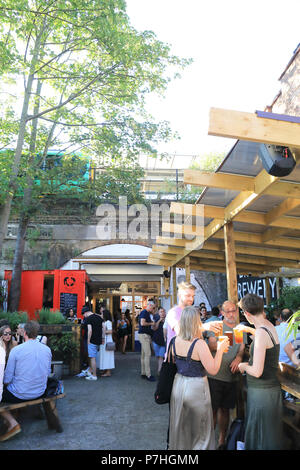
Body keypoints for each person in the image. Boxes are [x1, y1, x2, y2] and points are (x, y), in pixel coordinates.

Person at [168, 306, 229, 450]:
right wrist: (220, 350)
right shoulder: (199, 344)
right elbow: (213, 370)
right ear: (197, 322)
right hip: (196, 386)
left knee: (182, 427)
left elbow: (172, 362)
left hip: (178, 384)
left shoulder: (174, 341)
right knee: (201, 431)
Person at [237, 293, 284, 450]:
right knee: (270, 435)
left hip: (262, 394)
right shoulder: (268, 325)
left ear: (247, 313)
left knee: (263, 438)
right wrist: (249, 330)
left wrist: (242, 366)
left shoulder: (261, 334)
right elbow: (263, 336)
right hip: (270, 391)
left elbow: (257, 371)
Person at [0, 321, 52, 442]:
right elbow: (48, 372)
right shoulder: (47, 349)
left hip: (21, 394)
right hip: (40, 391)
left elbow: (7, 379)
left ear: (24, 333)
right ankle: (14, 416)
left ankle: (12, 423)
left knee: (4, 391)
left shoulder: (17, 350)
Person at [206, 300, 245, 449]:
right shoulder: (216, 326)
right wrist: (225, 340)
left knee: (225, 409)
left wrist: (239, 357)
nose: (231, 314)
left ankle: (222, 440)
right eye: (227, 311)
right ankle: (209, 440)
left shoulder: (239, 329)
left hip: (231, 376)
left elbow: (241, 347)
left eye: (233, 310)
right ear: (221, 313)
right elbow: (211, 345)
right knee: (213, 410)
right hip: (214, 375)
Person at [164, 281, 223, 352]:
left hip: (189, 356)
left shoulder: (193, 312)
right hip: (176, 358)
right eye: (188, 296)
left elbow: (198, 334)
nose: (191, 299)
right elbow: (181, 332)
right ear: (179, 296)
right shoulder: (174, 312)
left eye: (193, 296)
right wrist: (204, 327)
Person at [138, 300, 156, 381]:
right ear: (150, 305)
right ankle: (148, 375)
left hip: (143, 335)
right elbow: (142, 323)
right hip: (144, 335)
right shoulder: (144, 312)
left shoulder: (145, 313)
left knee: (144, 355)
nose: (154, 309)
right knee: (148, 354)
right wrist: (151, 323)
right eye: (153, 307)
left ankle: (143, 373)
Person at [85, 307, 104, 381]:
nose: (84, 316)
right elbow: (103, 328)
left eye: (84, 314)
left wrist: (88, 340)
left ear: (86, 312)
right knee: (94, 357)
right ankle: (90, 372)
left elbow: (90, 330)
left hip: (92, 340)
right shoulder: (99, 317)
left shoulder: (89, 319)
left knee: (92, 358)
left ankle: (94, 375)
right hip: (98, 340)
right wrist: (103, 338)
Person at [99, 310, 115, 377]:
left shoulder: (108, 322)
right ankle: (105, 370)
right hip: (105, 340)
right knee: (105, 356)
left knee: (108, 356)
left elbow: (110, 331)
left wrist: (102, 331)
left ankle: (108, 372)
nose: (101, 315)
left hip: (107, 341)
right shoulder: (105, 322)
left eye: (102, 314)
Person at [151, 307, 166, 374]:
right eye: (161, 312)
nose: (162, 313)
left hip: (163, 342)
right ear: (158, 313)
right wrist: (159, 320)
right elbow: (154, 328)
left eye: (163, 311)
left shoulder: (168, 320)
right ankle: (160, 368)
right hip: (156, 341)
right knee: (158, 356)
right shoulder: (156, 319)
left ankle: (159, 371)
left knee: (161, 357)